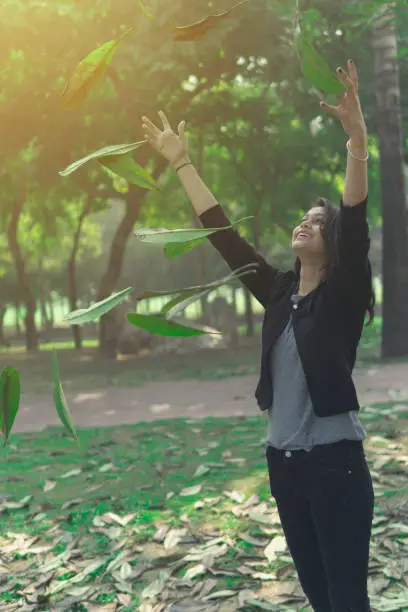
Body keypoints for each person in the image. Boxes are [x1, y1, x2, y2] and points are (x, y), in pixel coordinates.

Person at [142, 59, 374, 612]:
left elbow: (356, 215)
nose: (305, 224)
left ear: (334, 243)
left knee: (346, 600)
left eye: (318, 222)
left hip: (335, 464)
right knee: (320, 599)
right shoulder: (276, 292)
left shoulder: (341, 298)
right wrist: (183, 164)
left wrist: (357, 142)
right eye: (303, 218)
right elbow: (224, 237)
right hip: (286, 466)